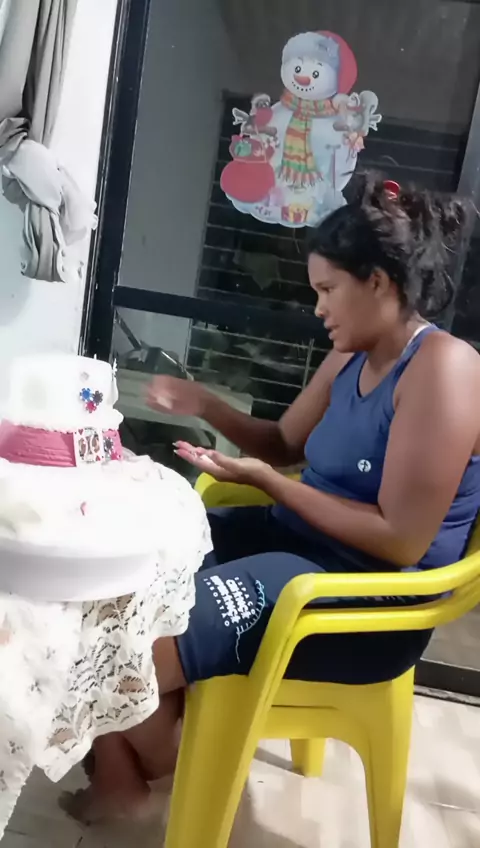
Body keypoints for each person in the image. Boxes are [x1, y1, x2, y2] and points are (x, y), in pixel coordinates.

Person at [66, 177, 480, 821]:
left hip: (364, 598)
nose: (318, 309)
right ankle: (125, 774)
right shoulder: (349, 356)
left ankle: (161, 754)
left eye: (327, 290)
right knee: (128, 569)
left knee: (128, 652)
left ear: (377, 282)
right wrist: (205, 404)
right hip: (302, 542)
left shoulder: (444, 367)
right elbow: (284, 442)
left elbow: (401, 539)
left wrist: (269, 481)